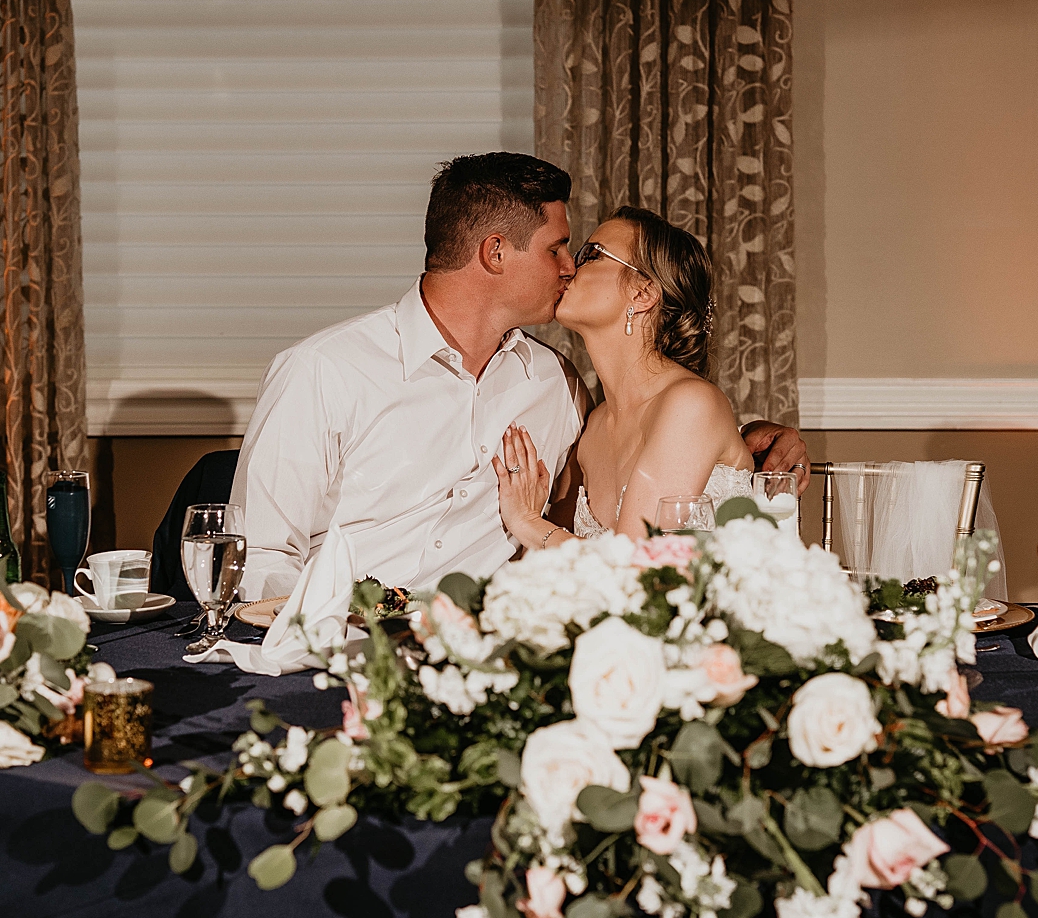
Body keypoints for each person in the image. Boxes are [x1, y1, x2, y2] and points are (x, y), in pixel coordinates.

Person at [231, 153, 807, 598]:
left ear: (642, 294)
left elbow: (679, 456)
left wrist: (755, 442)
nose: (567, 268)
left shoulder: (555, 386)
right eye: (561, 249)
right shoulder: (324, 372)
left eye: (584, 255)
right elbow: (259, 557)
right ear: (496, 254)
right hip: (344, 654)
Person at [493, 206, 779, 548]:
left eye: (592, 255)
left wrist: (526, 522)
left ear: (642, 294)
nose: (568, 268)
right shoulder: (592, 426)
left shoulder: (690, 404)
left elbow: (636, 568)